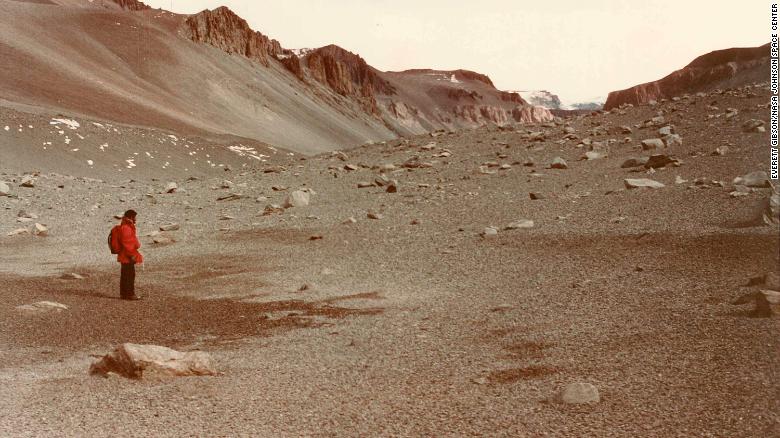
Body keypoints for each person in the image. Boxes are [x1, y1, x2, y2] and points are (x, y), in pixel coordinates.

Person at [114, 209, 144, 300]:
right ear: (131, 217)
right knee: (129, 276)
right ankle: (130, 294)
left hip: (124, 256)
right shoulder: (126, 228)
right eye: (134, 217)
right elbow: (128, 244)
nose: (135, 219)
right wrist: (132, 255)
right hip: (127, 256)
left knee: (125, 275)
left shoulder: (124, 226)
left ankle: (124, 294)